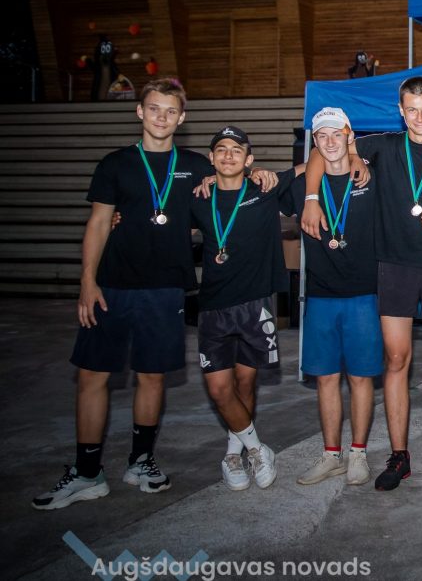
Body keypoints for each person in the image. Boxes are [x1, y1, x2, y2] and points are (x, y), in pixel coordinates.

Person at [33, 80, 213, 510]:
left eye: (170, 111)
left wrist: (258, 174)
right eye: (154, 109)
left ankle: (141, 461)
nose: (162, 117)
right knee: (93, 376)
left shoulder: (195, 165)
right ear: (139, 112)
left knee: (152, 376)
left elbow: (226, 193)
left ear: (182, 118)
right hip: (112, 285)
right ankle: (87, 472)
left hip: (165, 287)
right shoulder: (115, 164)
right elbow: (98, 222)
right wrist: (87, 280)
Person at [301, 76, 422, 489]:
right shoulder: (382, 145)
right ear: (401, 111)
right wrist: (311, 196)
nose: (419, 117)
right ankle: (399, 456)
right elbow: (322, 150)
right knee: (396, 361)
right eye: (411, 109)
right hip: (394, 267)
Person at [190, 126, 293, 492]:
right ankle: (257, 448)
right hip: (213, 308)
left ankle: (233, 454)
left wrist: (355, 157)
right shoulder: (197, 198)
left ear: (249, 159)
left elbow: (312, 164)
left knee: (246, 382)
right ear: (212, 158)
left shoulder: (264, 190)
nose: (228, 155)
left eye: (237, 150)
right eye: (221, 149)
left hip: (254, 305)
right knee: (220, 389)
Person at [285, 108, 381, 488]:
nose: (329, 142)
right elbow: (254, 186)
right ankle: (331, 455)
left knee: (360, 379)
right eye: (321, 136)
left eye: (336, 134)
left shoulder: (370, 177)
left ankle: (358, 452)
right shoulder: (302, 187)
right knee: (325, 379)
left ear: (349, 135)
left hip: (364, 296)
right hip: (321, 297)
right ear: (314, 141)